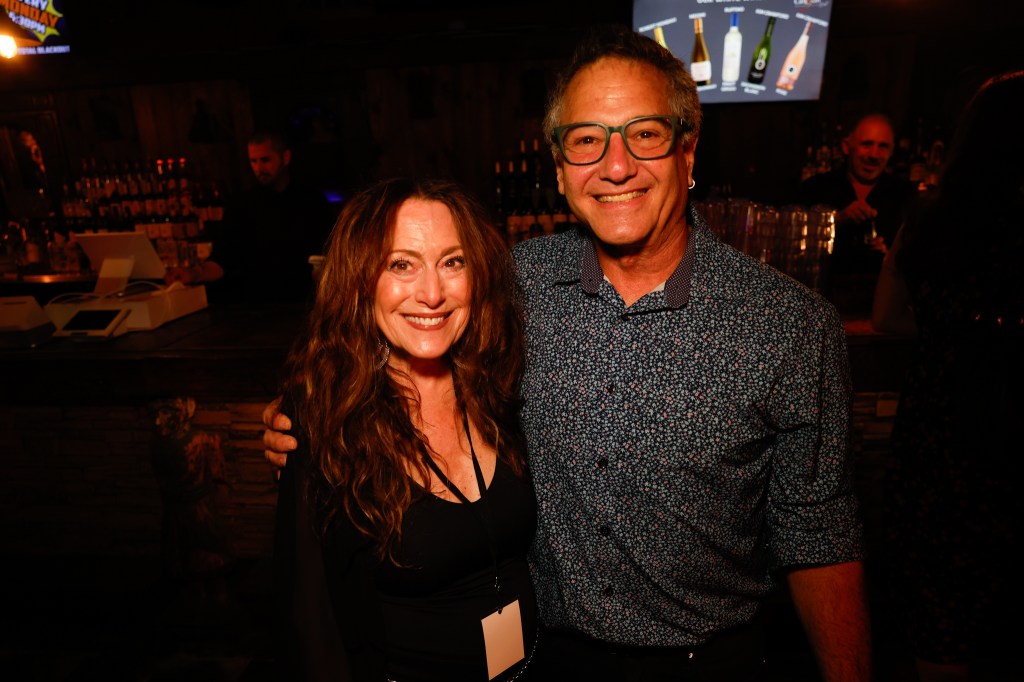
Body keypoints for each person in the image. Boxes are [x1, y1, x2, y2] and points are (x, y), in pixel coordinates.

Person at [266, 24, 869, 682]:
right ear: (559, 168)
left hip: (707, 663)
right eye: (587, 140)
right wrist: (312, 422)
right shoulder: (513, 286)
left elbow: (821, 538)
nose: (616, 166)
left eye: (645, 134)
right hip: (544, 660)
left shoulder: (789, 325)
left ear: (688, 151)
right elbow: (398, 331)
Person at [273, 177, 538, 681]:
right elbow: (309, 618)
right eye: (401, 264)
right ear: (360, 280)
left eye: (452, 262)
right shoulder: (327, 418)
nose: (432, 293)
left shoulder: (500, 380)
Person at [871, 71, 1024, 682]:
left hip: (942, 445)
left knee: (942, 625)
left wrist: (952, 328)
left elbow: (887, 318)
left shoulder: (929, 216)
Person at [167, 131, 335, 304]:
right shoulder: (241, 205)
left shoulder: (312, 201)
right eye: (253, 161)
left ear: (285, 157)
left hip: (304, 303)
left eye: (265, 160)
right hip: (256, 306)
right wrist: (195, 274)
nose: (259, 169)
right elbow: (223, 259)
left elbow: (330, 256)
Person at [797, 113, 919, 279]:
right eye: (867, 144)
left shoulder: (906, 194)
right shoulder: (816, 187)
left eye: (883, 146)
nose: (874, 155)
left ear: (891, 151)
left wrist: (890, 256)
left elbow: (917, 257)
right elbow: (793, 241)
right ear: (846, 147)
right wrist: (836, 220)